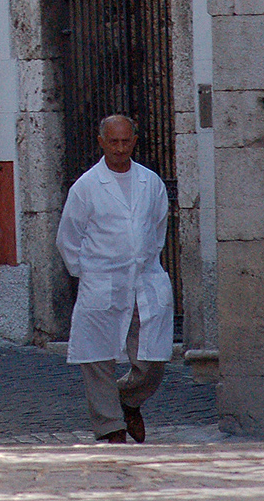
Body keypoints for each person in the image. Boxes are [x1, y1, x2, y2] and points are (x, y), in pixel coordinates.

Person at [55, 113, 173, 443]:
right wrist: (90, 272)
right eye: (114, 142)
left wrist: (141, 257)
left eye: (126, 141)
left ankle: (128, 399)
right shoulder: (86, 187)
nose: (120, 149)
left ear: (134, 141)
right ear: (102, 142)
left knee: (153, 358)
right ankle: (111, 427)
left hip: (144, 280)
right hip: (102, 281)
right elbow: (68, 239)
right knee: (96, 359)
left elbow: (158, 229)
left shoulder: (151, 183)